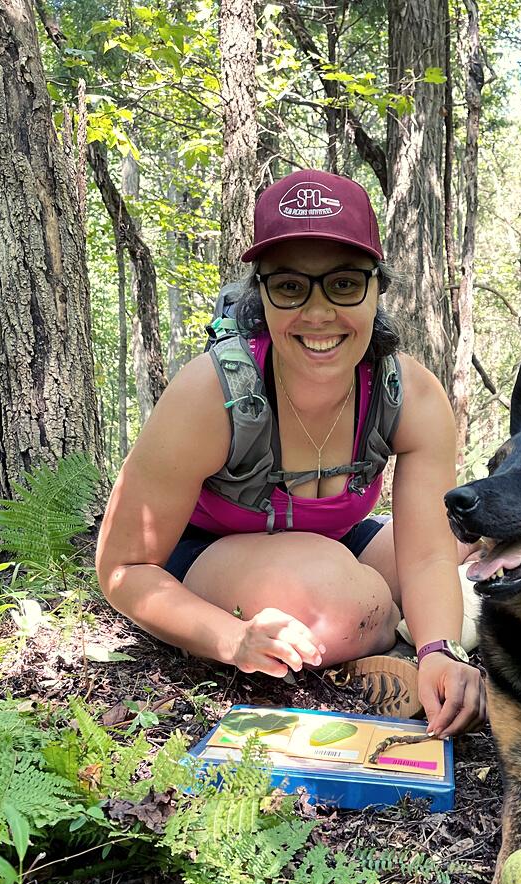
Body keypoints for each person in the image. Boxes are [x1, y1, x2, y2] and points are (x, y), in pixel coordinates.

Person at [96, 169, 485, 738]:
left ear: (377, 288)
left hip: (330, 546)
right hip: (205, 555)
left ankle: (401, 633)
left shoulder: (410, 395)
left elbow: (426, 556)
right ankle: (378, 630)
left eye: (344, 284)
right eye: (289, 287)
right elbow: (123, 567)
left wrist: (439, 649)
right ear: (262, 294)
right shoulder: (211, 395)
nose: (318, 312)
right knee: (344, 607)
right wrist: (232, 638)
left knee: (456, 540)